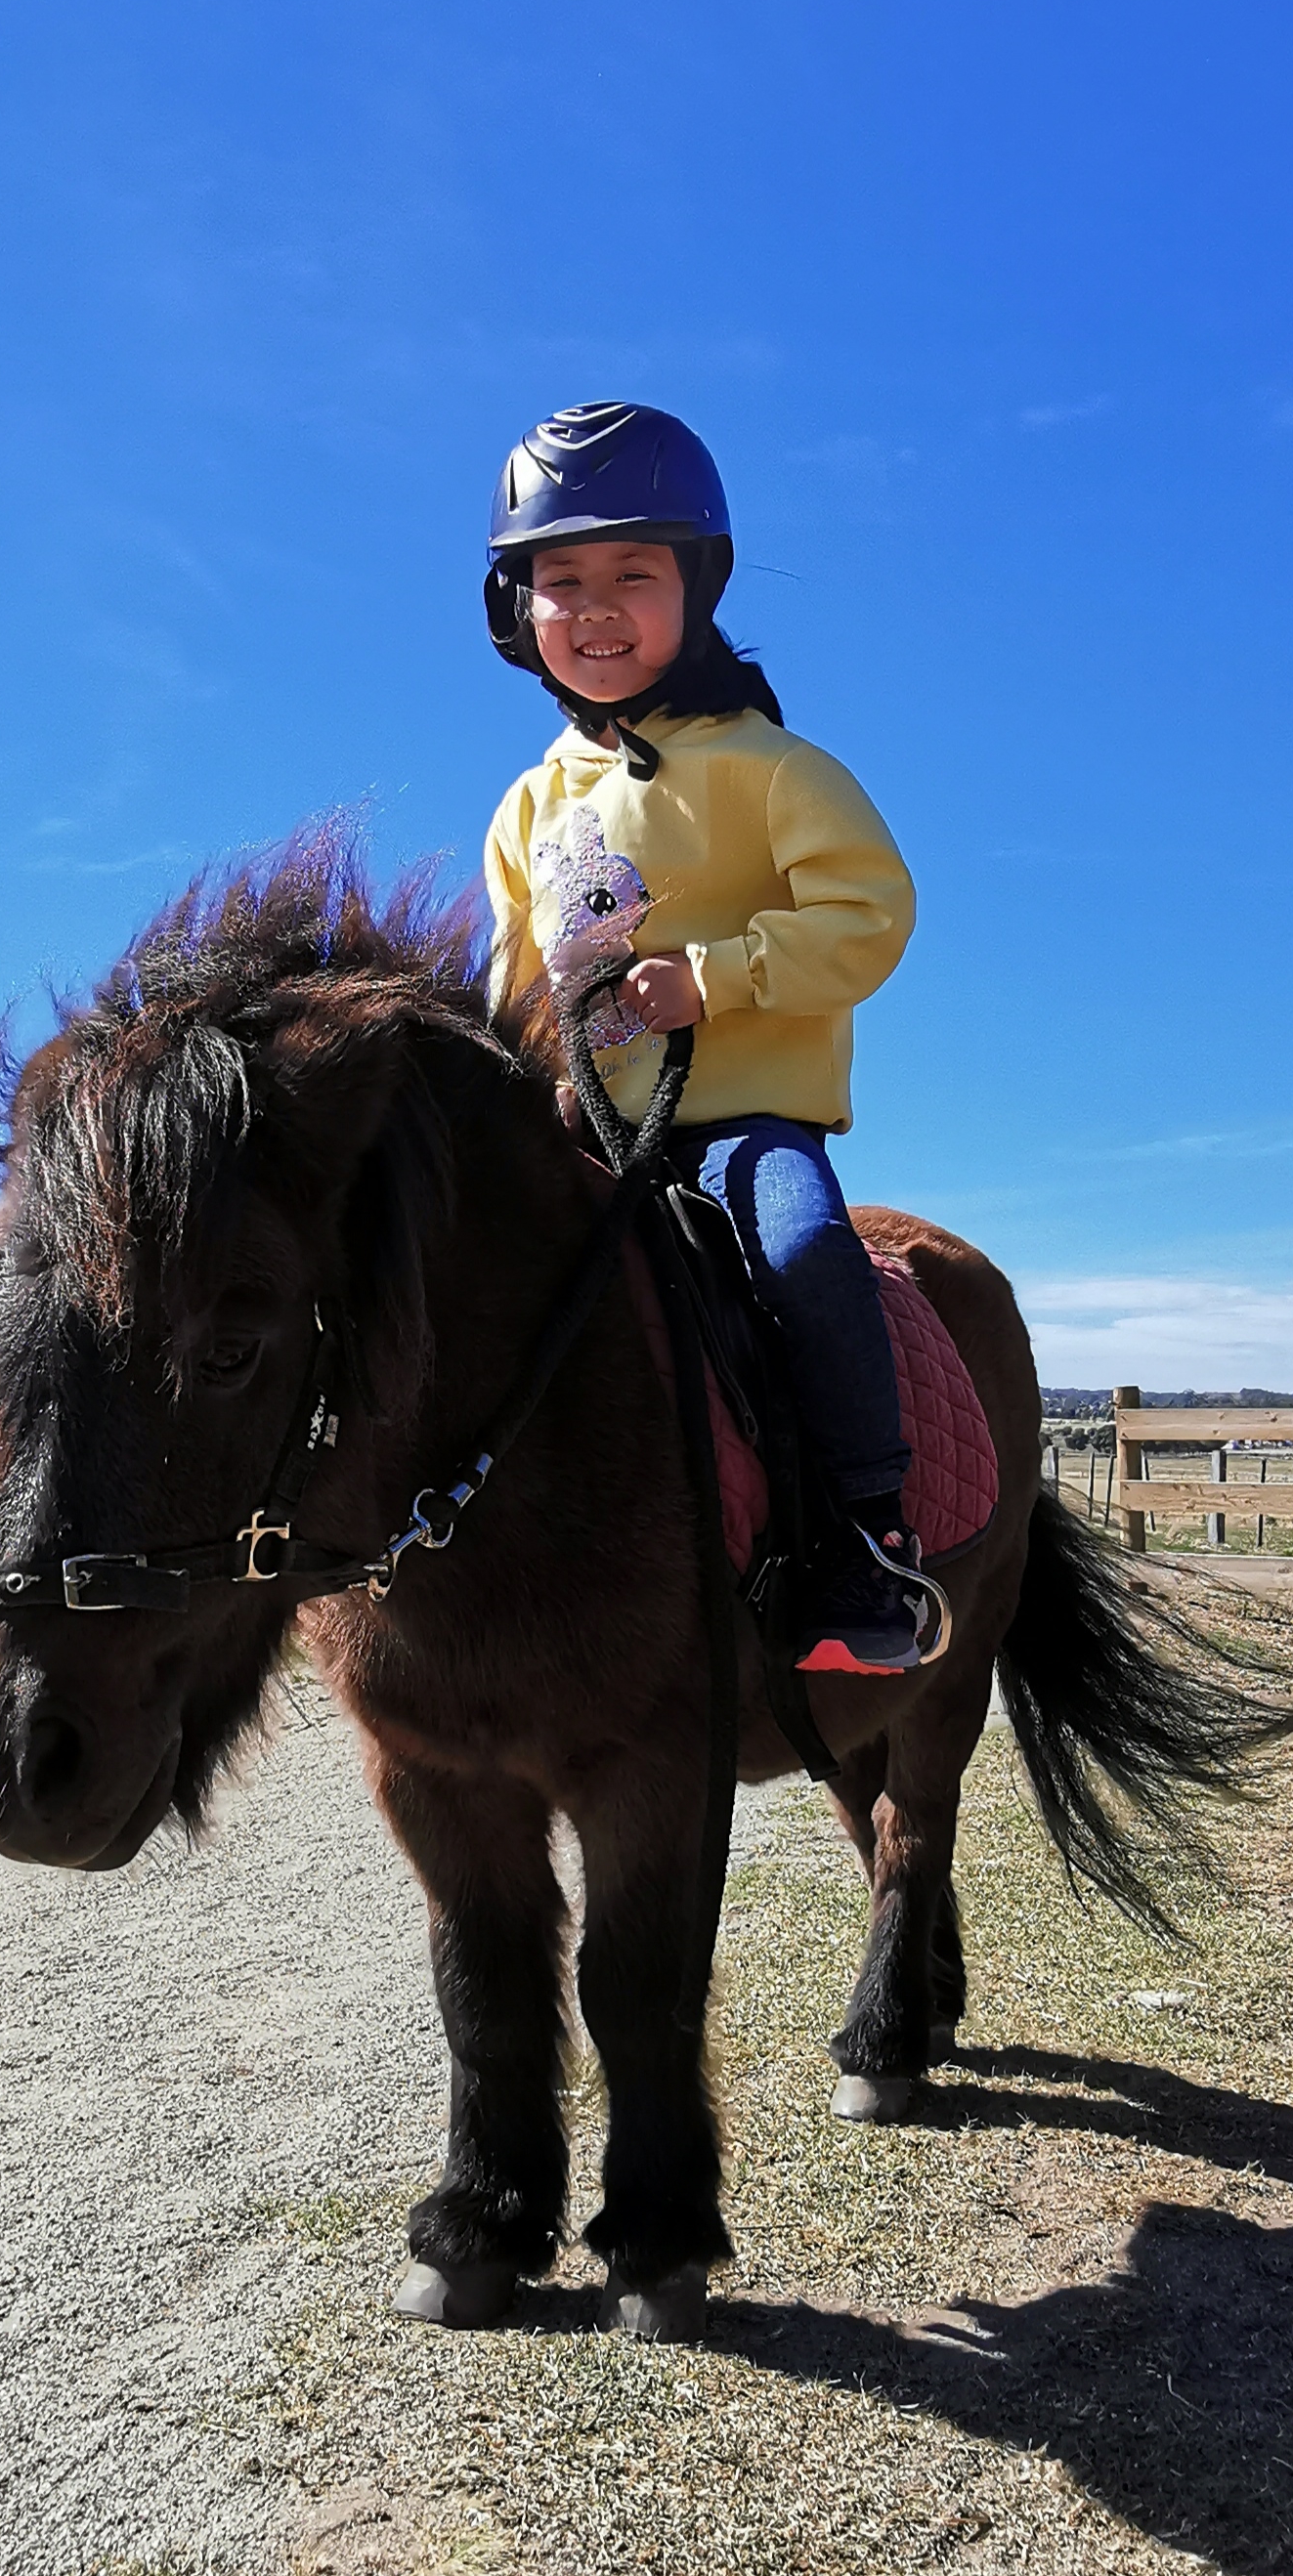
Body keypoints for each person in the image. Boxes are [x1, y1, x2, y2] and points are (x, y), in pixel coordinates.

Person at [482, 401, 937, 1672]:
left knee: (801, 1250)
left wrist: (718, 977)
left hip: (734, 1127)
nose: (597, 605)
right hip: (589, 1135)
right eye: (561, 579)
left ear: (701, 583)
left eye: (636, 572)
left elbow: (871, 914)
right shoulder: (524, 811)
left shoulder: (771, 766)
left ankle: (870, 1542)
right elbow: (518, 983)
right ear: (518, 605)